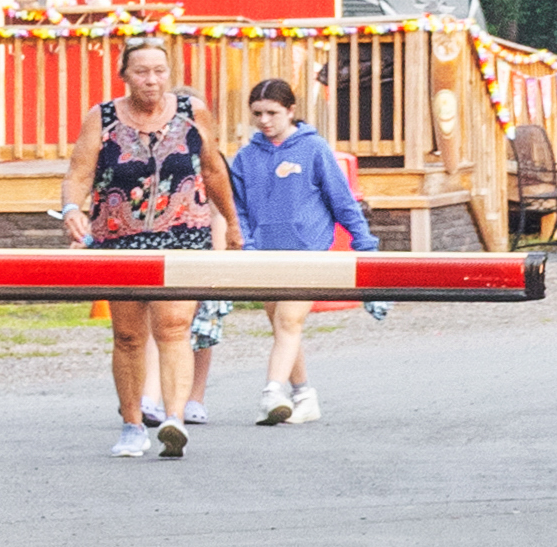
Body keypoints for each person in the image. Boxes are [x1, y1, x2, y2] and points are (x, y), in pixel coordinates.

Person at [74, 32, 223, 457]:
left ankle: (174, 420)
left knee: (175, 327)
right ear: (125, 75)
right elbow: (80, 171)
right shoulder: (101, 118)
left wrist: (230, 222)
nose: (152, 80)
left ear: (169, 74)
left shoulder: (193, 113)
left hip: (183, 234)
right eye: (142, 71)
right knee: (127, 336)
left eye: (159, 71)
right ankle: (132, 424)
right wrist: (72, 207)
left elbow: (213, 169)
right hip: (120, 236)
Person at [224, 73, 363, 425]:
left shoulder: (314, 150)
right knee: (282, 327)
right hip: (265, 253)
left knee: (289, 320)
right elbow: (237, 207)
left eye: (272, 112)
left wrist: (364, 242)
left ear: (291, 111)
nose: (264, 121)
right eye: (257, 113)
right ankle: (304, 395)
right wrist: (246, 244)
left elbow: (341, 199)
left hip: (308, 252)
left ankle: (271, 392)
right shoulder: (244, 158)